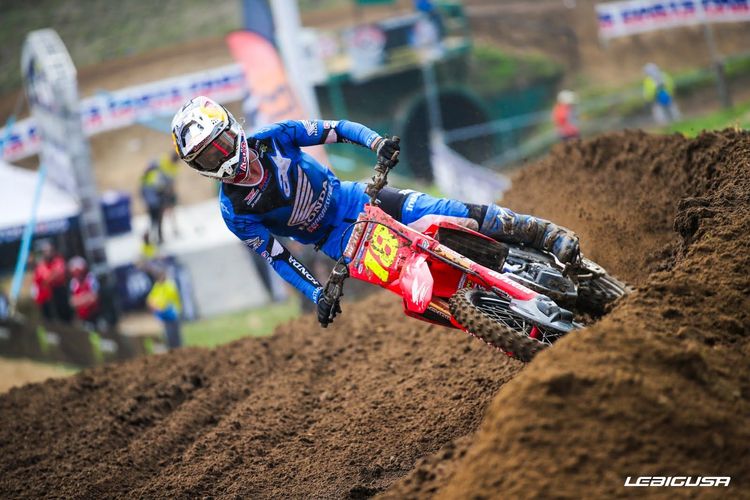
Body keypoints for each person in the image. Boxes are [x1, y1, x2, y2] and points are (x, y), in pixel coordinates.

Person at [170, 96, 580, 325]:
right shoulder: (234, 211)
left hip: (358, 199)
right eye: (208, 157)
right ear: (198, 167)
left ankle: (545, 234)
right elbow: (277, 257)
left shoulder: (276, 137)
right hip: (341, 243)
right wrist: (316, 293)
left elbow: (337, 129)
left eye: (220, 144)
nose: (221, 157)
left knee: (455, 212)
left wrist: (377, 143)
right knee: (423, 298)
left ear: (232, 128)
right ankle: (512, 326)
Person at [31, 241, 73, 323]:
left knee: (64, 315)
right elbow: (42, 279)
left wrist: (49, 277)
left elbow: (58, 274)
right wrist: (52, 275)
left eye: (49, 250)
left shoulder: (59, 260)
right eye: (45, 251)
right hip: (48, 296)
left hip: (60, 291)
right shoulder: (41, 265)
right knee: (50, 318)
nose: (48, 253)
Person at [146, 266, 183, 349]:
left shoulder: (169, 285)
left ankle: (179, 348)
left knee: (176, 333)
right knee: (168, 334)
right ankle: (172, 349)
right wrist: (154, 305)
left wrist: (160, 306)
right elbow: (151, 299)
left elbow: (168, 298)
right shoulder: (157, 286)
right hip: (164, 314)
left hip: (173, 312)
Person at [68, 256, 103, 331]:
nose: (78, 274)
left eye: (79, 271)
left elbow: (94, 298)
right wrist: (86, 298)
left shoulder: (91, 278)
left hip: (95, 316)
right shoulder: (73, 283)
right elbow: (72, 302)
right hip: (83, 318)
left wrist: (80, 299)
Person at [140, 161, 169, 244]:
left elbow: (142, 192)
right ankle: (159, 238)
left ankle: (150, 239)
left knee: (152, 222)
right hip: (157, 203)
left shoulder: (144, 177)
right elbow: (161, 187)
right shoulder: (156, 176)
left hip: (150, 204)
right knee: (158, 222)